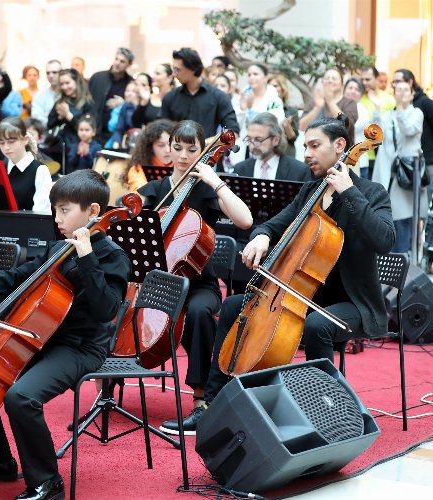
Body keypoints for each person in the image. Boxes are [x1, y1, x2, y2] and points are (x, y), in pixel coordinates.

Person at [169, 115, 395, 434]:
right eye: (305, 146)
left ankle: (325, 413)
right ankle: (213, 403)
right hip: (302, 295)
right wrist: (262, 235)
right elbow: (276, 223)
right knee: (234, 306)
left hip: (353, 303)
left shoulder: (371, 193)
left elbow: (385, 240)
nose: (306, 154)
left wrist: (349, 192)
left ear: (340, 145)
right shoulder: (311, 190)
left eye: (315, 146)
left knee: (317, 325)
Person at [0, 168, 132, 500]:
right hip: (42, 338)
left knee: (21, 397)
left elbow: (107, 308)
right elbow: (18, 273)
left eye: (65, 210)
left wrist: (86, 255)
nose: (57, 217)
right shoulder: (57, 247)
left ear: (93, 212)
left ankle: (48, 481)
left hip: (81, 347)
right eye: (56, 209)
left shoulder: (112, 256)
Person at [136, 120, 252, 435]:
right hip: (160, 282)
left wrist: (215, 182)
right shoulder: (157, 190)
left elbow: (245, 220)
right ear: (168, 149)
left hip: (199, 282)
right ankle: (109, 384)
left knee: (199, 312)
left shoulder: (205, 189)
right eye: (178, 147)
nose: (184, 155)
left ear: (202, 151)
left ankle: (201, 400)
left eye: (192, 149)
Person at [372, 79, 424, 254]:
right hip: (388, 170)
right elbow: (376, 133)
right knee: (387, 215)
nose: (401, 93)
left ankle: (404, 259)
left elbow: (409, 130)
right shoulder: (388, 115)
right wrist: (378, 110)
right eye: (398, 90)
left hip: (406, 173)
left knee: (404, 217)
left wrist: (400, 110)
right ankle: (388, 258)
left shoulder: (417, 113)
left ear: (412, 94)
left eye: (405, 90)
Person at [159, 48, 240, 139]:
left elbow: (233, 132)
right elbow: (162, 130)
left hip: (208, 151)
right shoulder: (170, 97)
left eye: (178, 70)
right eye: (173, 69)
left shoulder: (219, 97)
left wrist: (205, 144)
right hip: (176, 151)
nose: (174, 74)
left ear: (192, 69)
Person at [0, 117, 52, 212]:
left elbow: (42, 213)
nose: (6, 147)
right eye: (2, 143)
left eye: (11, 141)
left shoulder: (39, 170)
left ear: (25, 139)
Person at [233, 112, 312, 181]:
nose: (252, 145)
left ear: (276, 140)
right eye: (249, 139)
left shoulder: (298, 171)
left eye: (258, 139)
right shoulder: (240, 169)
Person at [88, 47, 135, 144]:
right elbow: (87, 102)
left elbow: (135, 107)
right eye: (116, 59)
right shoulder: (97, 77)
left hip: (118, 134)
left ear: (129, 64)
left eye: (122, 61)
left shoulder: (131, 83)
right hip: (94, 131)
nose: (117, 63)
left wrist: (124, 103)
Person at [47, 69, 94, 158]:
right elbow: (49, 124)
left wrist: (68, 115)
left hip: (78, 149)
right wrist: (59, 117)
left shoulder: (87, 103)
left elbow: (88, 128)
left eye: (67, 83)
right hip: (59, 147)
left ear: (76, 81)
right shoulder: (60, 101)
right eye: (61, 84)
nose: (64, 87)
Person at [299, 68, 358, 138]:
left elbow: (347, 125)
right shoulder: (315, 102)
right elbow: (302, 127)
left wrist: (330, 101)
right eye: (327, 78)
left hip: (342, 147)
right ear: (323, 82)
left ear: (342, 84)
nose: (330, 81)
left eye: (334, 79)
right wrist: (317, 108)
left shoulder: (349, 103)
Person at [359, 66, 396, 177]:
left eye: (368, 79)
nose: (364, 83)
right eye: (362, 80)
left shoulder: (389, 99)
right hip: (363, 155)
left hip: (383, 154)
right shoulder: (359, 98)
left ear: (376, 78)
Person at [126, 118, 174, 192]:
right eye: (161, 145)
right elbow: (138, 190)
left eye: (170, 144)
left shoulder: (183, 165)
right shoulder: (138, 168)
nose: (168, 150)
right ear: (150, 147)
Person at [240, 63, 284, 128]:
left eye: (255, 74)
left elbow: (276, 122)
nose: (251, 77)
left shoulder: (274, 100)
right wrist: (242, 109)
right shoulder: (243, 97)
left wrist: (251, 109)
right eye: (249, 75)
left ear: (265, 78)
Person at [343, 77, 371, 177]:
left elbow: (349, 127)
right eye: (350, 88)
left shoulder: (362, 110)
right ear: (344, 89)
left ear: (361, 94)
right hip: (338, 162)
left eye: (357, 89)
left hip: (359, 162)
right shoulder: (337, 105)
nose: (353, 91)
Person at [267, 73, 299, 159]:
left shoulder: (291, 111)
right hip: (266, 153)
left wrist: (287, 126)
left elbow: (293, 139)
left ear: (283, 89)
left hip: (285, 153)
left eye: (275, 86)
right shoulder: (262, 108)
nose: (271, 89)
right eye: (268, 86)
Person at [106, 79, 138, 149]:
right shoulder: (124, 107)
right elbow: (114, 127)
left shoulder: (143, 108)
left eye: (133, 91)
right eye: (127, 90)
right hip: (121, 142)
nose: (129, 94)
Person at [31, 60, 62, 127]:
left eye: (54, 72)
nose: (50, 75)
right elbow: (37, 119)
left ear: (62, 73)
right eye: (48, 73)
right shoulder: (39, 96)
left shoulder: (69, 94)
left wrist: (48, 115)